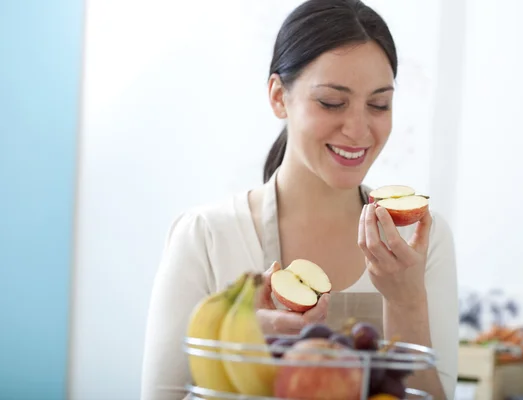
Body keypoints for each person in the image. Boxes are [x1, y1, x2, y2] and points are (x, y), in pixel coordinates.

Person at [140, 0, 458, 399]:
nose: (359, 130)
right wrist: (243, 356)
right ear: (278, 96)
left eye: (379, 104)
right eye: (331, 101)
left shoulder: (421, 240)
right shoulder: (205, 236)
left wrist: (407, 302)